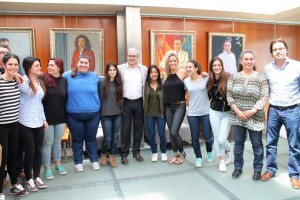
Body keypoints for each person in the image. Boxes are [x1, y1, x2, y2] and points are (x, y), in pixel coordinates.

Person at [261, 38, 300, 189]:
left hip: (292, 110)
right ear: (271, 53)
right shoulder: (267, 69)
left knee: (294, 144)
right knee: (271, 142)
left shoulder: (297, 66)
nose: (278, 51)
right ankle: (271, 169)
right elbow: (266, 89)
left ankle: (294, 175)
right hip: (274, 110)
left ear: (286, 50)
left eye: (281, 48)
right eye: (275, 49)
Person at [227, 49, 268, 180]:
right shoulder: (234, 77)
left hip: (255, 117)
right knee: (238, 143)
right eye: (246, 59)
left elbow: (264, 96)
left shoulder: (261, 77)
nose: (249, 61)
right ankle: (238, 167)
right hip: (238, 116)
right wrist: (239, 112)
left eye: (251, 59)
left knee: (257, 144)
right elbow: (229, 96)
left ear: (254, 61)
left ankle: (257, 169)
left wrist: (252, 111)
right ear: (241, 61)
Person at [63, 54, 101, 172]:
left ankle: (94, 160)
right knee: (77, 139)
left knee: (91, 138)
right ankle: (78, 162)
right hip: (73, 115)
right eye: (81, 62)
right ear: (77, 63)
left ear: (90, 65)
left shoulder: (95, 77)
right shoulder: (67, 76)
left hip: (93, 114)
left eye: (86, 63)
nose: (83, 65)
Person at [0, 54, 28, 200]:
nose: (13, 67)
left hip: (14, 125)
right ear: (3, 65)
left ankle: (14, 185)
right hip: (1, 127)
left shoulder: (16, 81)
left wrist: (16, 75)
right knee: (1, 159)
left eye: (15, 64)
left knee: (13, 157)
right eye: (10, 64)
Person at [19, 56, 48, 191]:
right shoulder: (22, 82)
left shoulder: (39, 81)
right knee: (29, 151)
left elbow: (39, 103)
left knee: (38, 150)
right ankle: (28, 179)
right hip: (24, 121)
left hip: (38, 121)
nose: (39, 68)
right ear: (29, 68)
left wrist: (43, 119)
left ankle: (37, 176)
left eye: (39, 65)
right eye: (37, 66)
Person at [117, 47, 147, 165]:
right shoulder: (120, 69)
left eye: (134, 56)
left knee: (138, 129)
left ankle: (136, 152)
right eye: (130, 56)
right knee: (125, 129)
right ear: (126, 56)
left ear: (137, 57)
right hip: (126, 102)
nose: (132, 58)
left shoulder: (144, 69)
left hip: (140, 102)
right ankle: (124, 154)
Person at [41, 57, 67, 180]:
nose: (49, 67)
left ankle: (58, 164)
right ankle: (47, 168)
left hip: (61, 117)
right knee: (47, 144)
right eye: (48, 65)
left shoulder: (64, 81)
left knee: (57, 143)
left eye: (52, 65)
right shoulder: (42, 79)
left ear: (59, 67)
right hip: (46, 118)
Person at [184, 60, 214, 168]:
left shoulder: (206, 79)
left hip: (205, 112)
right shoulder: (186, 81)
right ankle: (198, 157)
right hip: (192, 113)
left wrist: (207, 73)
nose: (187, 69)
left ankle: (209, 151)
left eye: (190, 67)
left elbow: (214, 79)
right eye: (186, 67)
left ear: (196, 68)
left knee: (207, 136)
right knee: (194, 137)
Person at [207, 57, 231, 172]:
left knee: (222, 139)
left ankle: (228, 150)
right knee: (216, 138)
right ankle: (221, 160)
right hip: (214, 112)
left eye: (219, 65)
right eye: (214, 65)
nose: (217, 67)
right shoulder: (209, 80)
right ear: (211, 67)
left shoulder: (228, 78)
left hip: (227, 113)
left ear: (222, 66)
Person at [163, 53, 187, 164]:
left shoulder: (182, 72)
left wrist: (204, 74)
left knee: (174, 131)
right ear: (168, 63)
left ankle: (182, 153)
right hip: (168, 106)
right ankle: (175, 154)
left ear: (177, 61)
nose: (172, 63)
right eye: (170, 61)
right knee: (171, 132)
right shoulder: (165, 75)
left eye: (174, 60)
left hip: (180, 106)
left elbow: (195, 76)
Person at [99, 62, 123, 168]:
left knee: (115, 137)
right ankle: (103, 154)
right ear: (107, 71)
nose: (112, 72)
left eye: (114, 70)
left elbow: (121, 98)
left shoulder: (119, 82)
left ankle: (112, 155)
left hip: (117, 114)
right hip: (105, 114)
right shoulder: (102, 83)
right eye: (110, 70)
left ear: (116, 71)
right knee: (107, 138)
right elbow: (99, 98)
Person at [144, 65, 167, 162]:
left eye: (155, 72)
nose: (154, 74)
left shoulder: (163, 85)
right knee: (151, 134)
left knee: (162, 133)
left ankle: (163, 152)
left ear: (158, 73)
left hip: (160, 114)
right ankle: (154, 153)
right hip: (149, 114)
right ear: (149, 74)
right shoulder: (145, 85)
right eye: (152, 72)